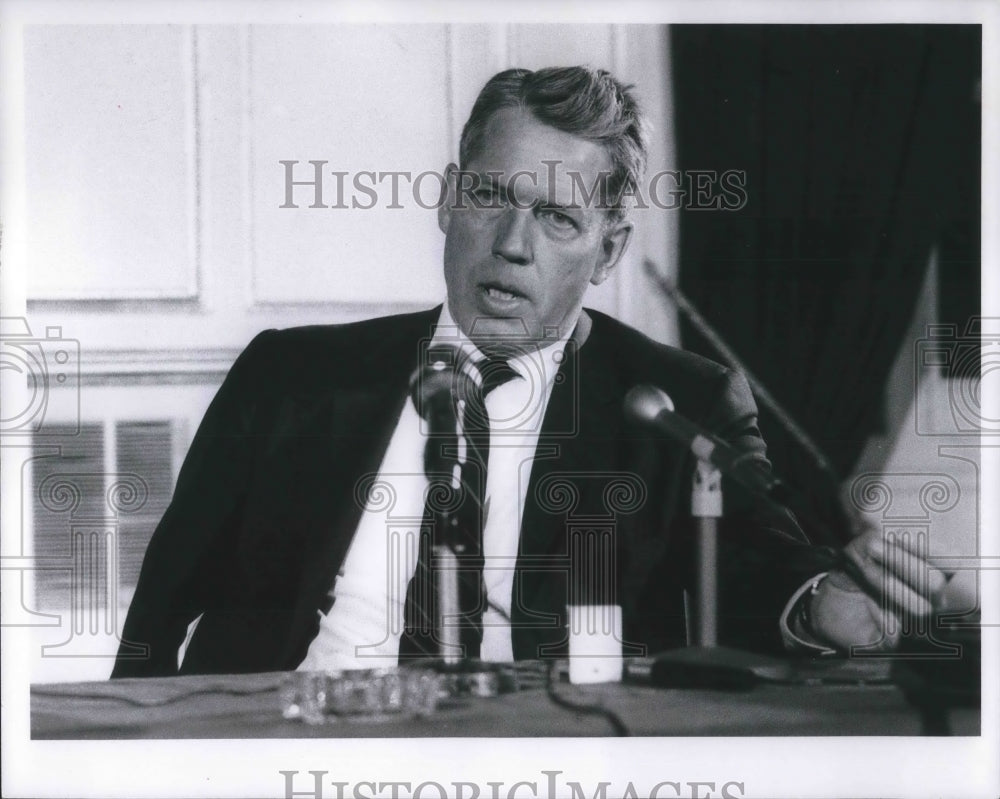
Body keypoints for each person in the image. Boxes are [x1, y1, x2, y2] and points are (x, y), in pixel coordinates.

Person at [112, 66, 965, 678]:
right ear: (449, 200)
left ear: (608, 250)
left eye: (557, 217)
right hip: (289, 740)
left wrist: (822, 604)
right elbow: (157, 614)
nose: (511, 245)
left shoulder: (675, 400)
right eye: (490, 198)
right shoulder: (292, 377)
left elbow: (762, 562)